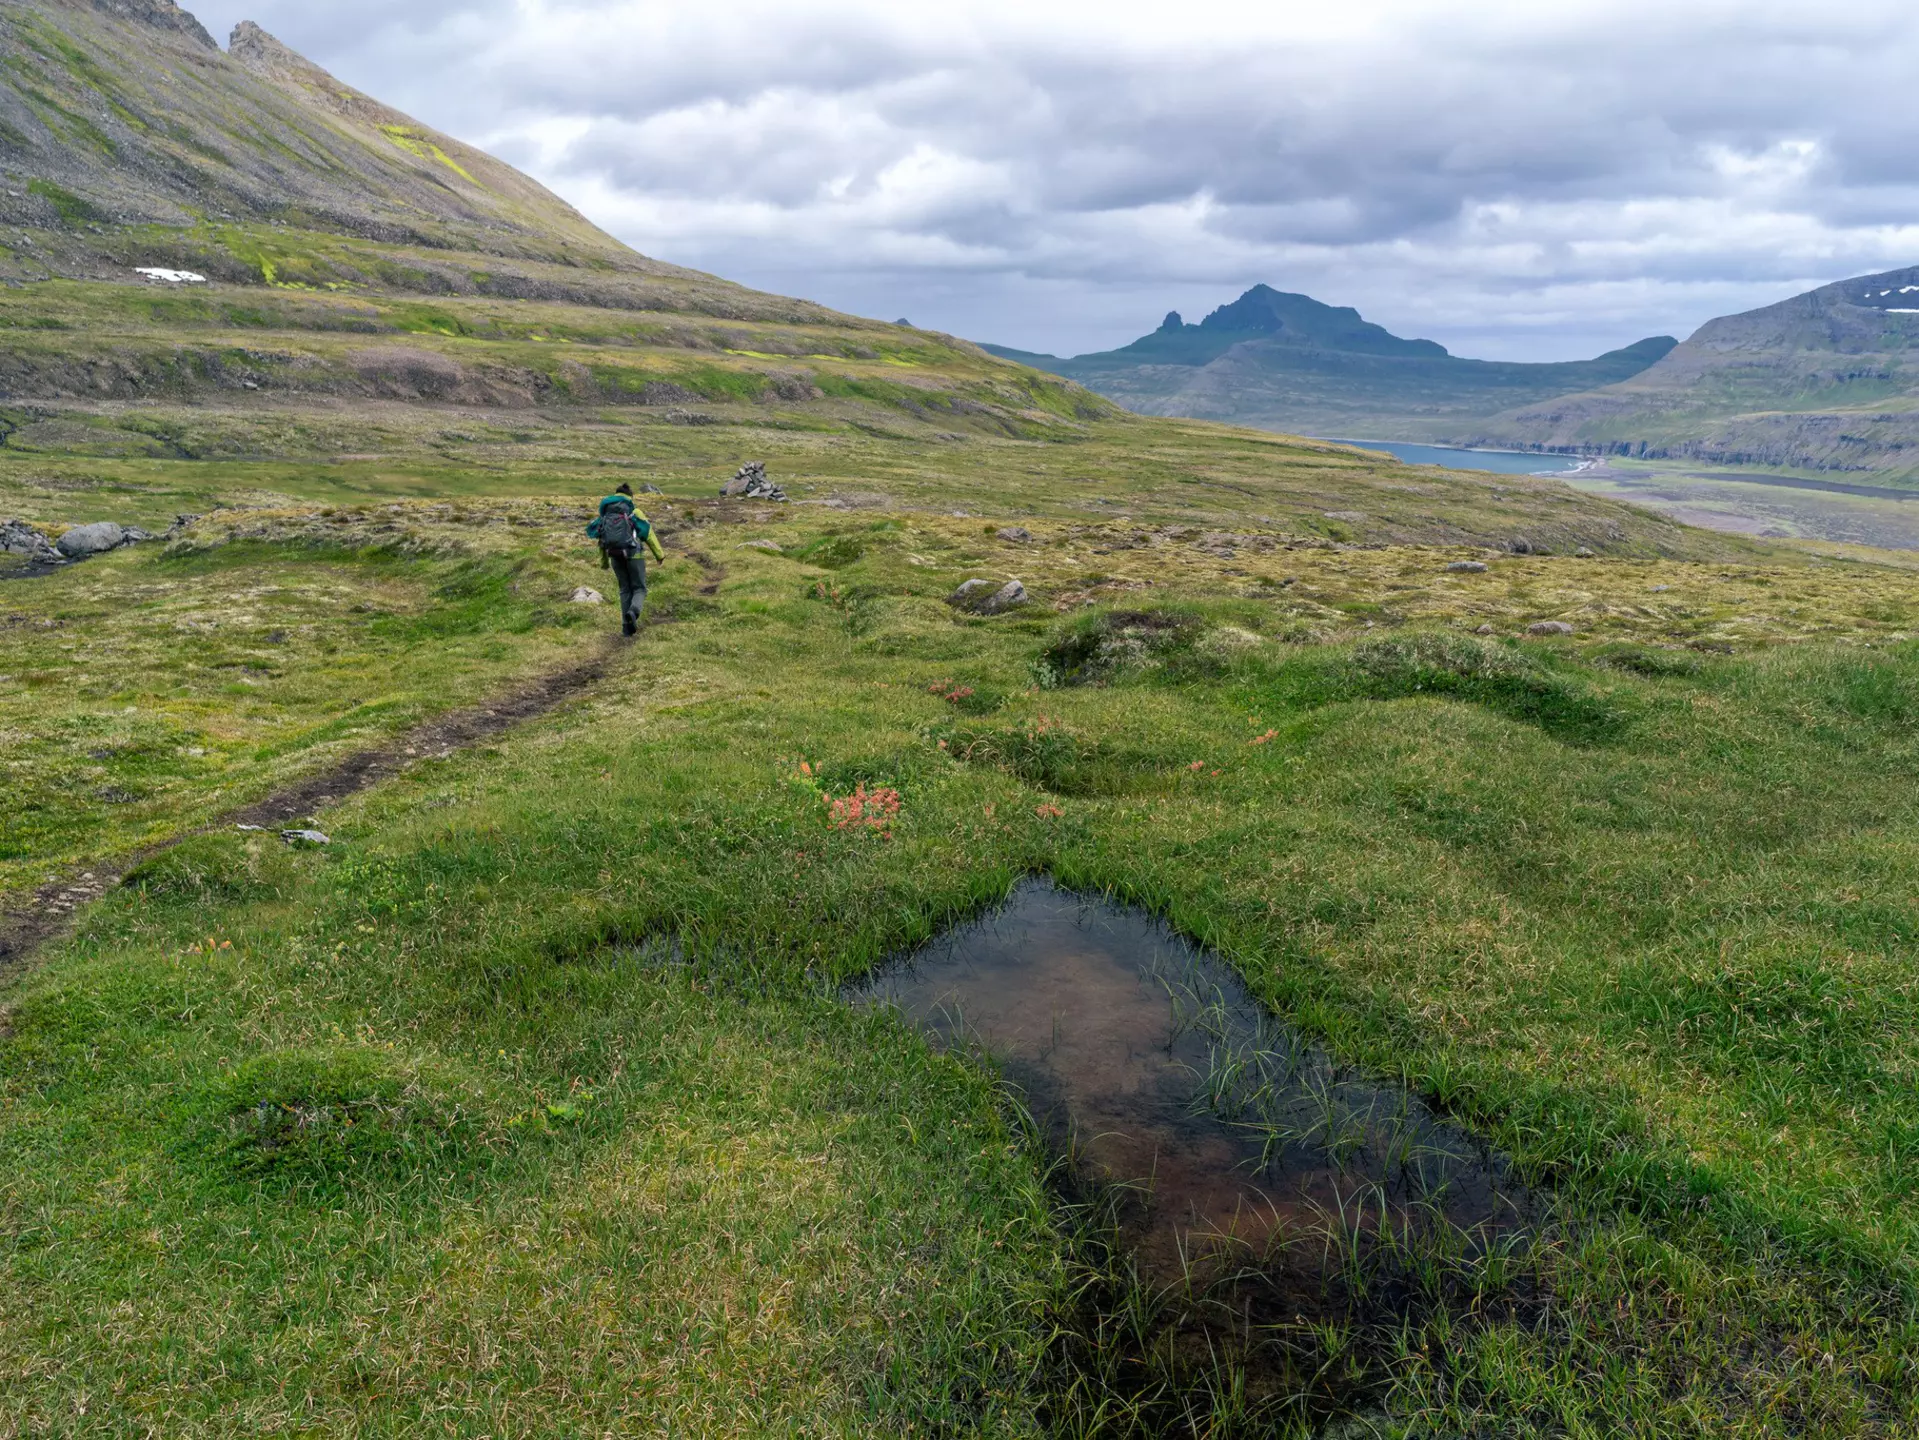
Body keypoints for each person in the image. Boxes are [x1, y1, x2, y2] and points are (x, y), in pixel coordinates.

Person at [586, 483, 667, 635]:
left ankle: (626, 627)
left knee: (624, 589)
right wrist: (659, 555)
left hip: (614, 555)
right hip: (634, 553)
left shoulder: (606, 515)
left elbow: (601, 540)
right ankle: (634, 611)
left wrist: (604, 563)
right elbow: (648, 534)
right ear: (630, 496)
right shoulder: (633, 511)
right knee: (639, 588)